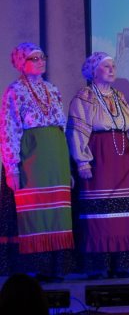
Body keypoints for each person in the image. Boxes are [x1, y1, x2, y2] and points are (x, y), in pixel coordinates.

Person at [66, 52, 129, 277]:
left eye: (113, 66)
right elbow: (77, 130)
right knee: (100, 210)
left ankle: (121, 263)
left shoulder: (119, 96)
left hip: (123, 158)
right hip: (100, 156)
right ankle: (99, 265)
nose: (112, 70)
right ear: (93, 71)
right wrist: (82, 161)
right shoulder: (85, 96)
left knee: (125, 212)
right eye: (106, 66)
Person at [0, 42, 73, 279]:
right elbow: (8, 129)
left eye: (42, 57)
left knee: (57, 212)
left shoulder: (52, 89)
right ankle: (37, 268)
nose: (41, 61)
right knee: (36, 213)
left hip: (56, 156)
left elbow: (62, 128)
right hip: (32, 156)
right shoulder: (15, 91)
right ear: (22, 63)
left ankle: (57, 267)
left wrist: (68, 167)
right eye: (34, 58)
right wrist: (11, 168)